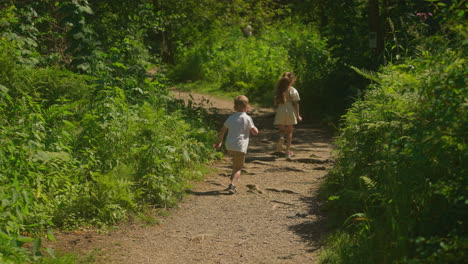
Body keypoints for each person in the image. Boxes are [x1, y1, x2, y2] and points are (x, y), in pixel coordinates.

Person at [213, 95, 258, 194]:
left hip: (229, 145)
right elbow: (255, 131)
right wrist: (255, 130)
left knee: (235, 164)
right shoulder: (247, 118)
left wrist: (219, 142)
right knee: (238, 168)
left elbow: (222, 130)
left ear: (234, 107)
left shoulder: (231, 118)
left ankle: (232, 179)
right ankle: (232, 185)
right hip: (240, 146)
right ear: (247, 107)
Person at [273, 72, 302, 157]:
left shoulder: (279, 90)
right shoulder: (293, 90)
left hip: (281, 110)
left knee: (282, 130)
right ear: (292, 80)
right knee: (289, 132)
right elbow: (296, 104)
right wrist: (298, 115)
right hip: (290, 110)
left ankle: (281, 138)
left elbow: (276, 103)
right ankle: (287, 151)